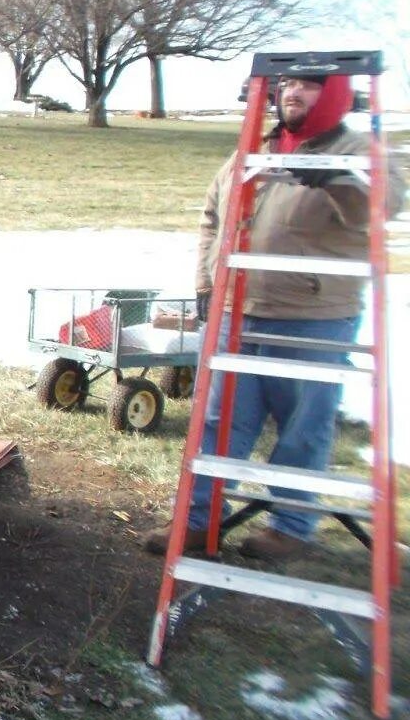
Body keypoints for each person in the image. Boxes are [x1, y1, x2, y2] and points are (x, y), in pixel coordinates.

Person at [146, 74, 403, 561]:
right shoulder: (254, 148)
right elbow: (211, 217)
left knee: (302, 425)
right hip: (236, 312)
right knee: (218, 423)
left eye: (308, 85)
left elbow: (383, 205)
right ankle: (199, 521)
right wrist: (207, 284)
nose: (292, 93)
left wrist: (341, 179)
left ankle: (291, 526)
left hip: (312, 315)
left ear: (334, 94)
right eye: (286, 84)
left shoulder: (359, 149)